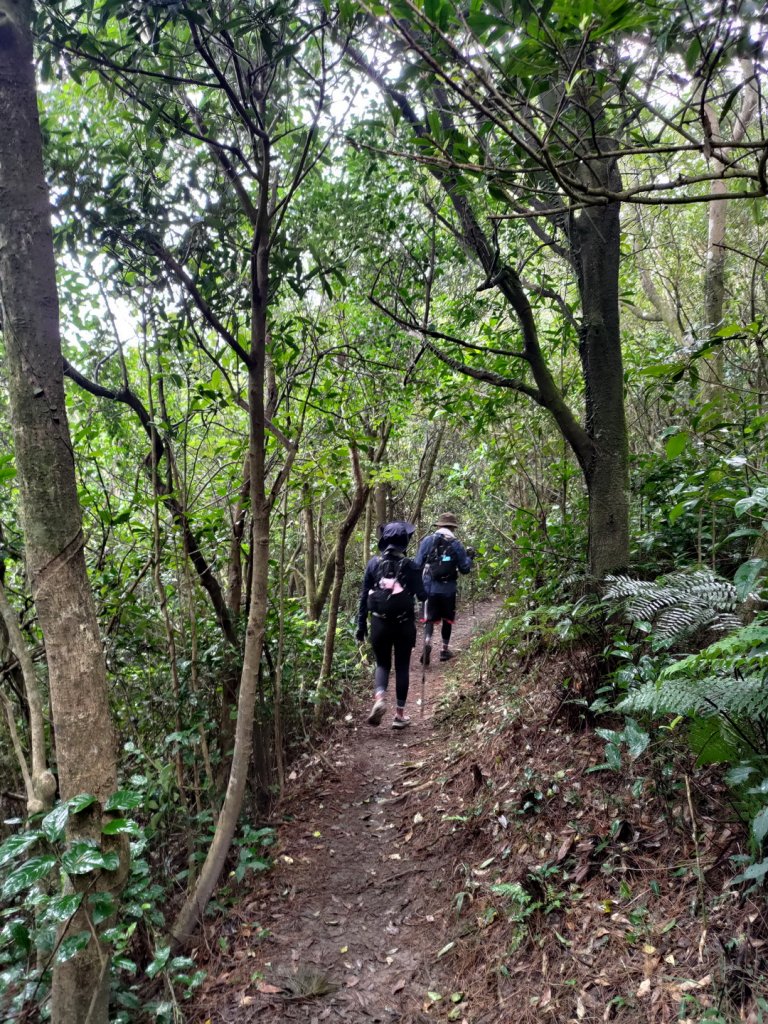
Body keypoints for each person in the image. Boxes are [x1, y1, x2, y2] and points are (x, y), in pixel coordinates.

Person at [357, 521, 427, 729]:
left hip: (379, 622)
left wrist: (361, 626)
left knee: (382, 664)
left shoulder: (373, 564)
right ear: (404, 542)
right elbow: (423, 595)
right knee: (403, 666)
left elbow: (363, 597)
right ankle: (399, 715)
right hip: (404, 624)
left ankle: (379, 699)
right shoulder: (412, 566)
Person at [413, 512, 474, 664]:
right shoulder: (456, 544)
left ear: (439, 526)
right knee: (447, 619)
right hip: (449, 589)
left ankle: (427, 641)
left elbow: (417, 564)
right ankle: (444, 650)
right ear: (453, 528)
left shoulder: (428, 541)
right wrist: (470, 558)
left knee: (429, 619)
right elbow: (465, 569)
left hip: (430, 588)